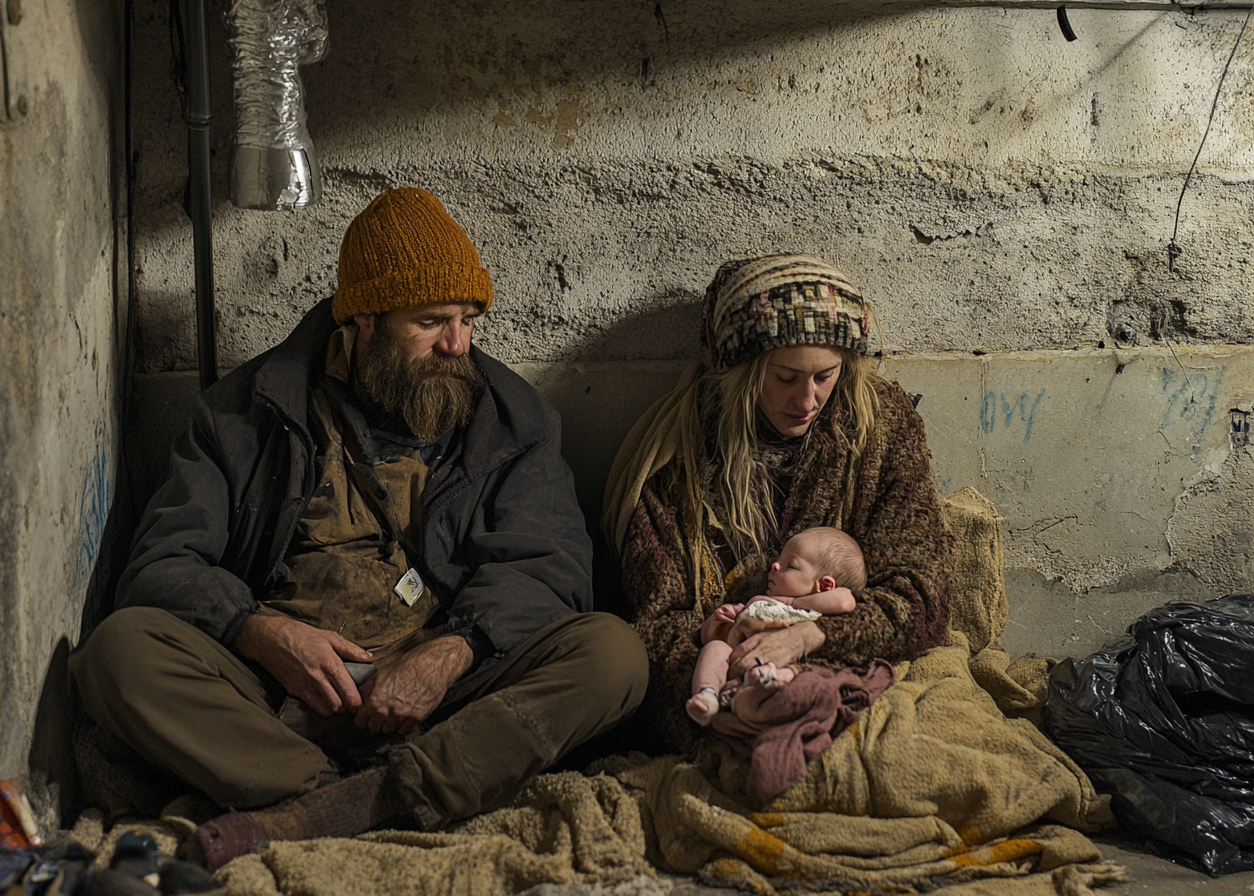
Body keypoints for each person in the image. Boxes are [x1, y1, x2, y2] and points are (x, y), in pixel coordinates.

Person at [69, 187, 648, 870]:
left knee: (614, 654)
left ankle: (327, 811)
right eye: (430, 322)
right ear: (364, 321)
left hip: (444, 700)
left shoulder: (512, 418)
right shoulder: (243, 415)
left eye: (467, 319)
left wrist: (454, 651)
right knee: (118, 652)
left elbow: (550, 568)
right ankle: (359, 793)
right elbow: (160, 567)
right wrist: (259, 631)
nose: (457, 344)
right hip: (280, 702)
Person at [604, 253, 953, 752]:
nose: (807, 400)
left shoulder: (882, 430)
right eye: (785, 378)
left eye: (826, 376)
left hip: (852, 665)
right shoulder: (675, 457)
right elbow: (660, 624)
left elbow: (921, 596)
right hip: (724, 682)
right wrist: (709, 697)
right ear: (741, 372)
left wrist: (813, 636)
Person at [687, 526, 863, 725]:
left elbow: (845, 601)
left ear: (824, 586)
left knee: (802, 676)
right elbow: (720, 639)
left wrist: (793, 603)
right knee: (714, 649)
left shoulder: (812, 611)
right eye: (779, 559)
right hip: (739, 661)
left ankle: (756, 690)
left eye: (791, 566)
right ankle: (707, 695)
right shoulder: (757, 602)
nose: (774, 566)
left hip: (780, 670)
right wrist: (718, 623)